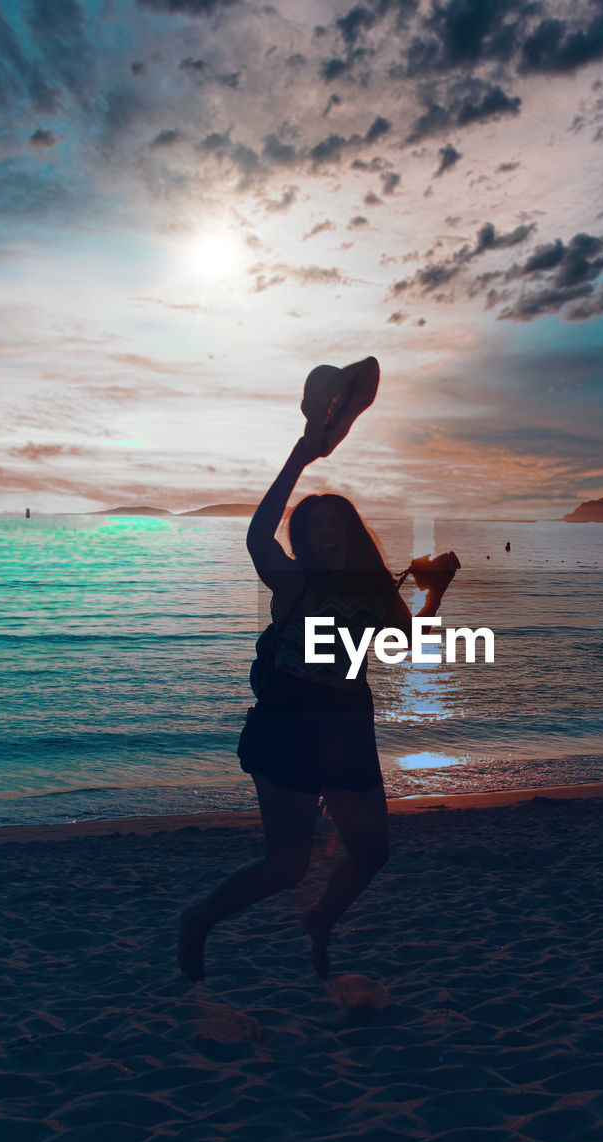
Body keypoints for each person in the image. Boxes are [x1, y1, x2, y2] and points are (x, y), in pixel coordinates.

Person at [178, 364, 459, 984]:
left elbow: (407, 641)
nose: (327, 533)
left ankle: (321, 921)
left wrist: (434, 592)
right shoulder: (294, 582)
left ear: (354, 533)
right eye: (314, 526)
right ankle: (198, 920)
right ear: (302, 540)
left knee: (372, 850)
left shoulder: (371, 588)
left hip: (349, 723)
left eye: (338, 524)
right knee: (287, 864)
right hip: (289, 723)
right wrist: (300, 458)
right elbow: (258, 536)